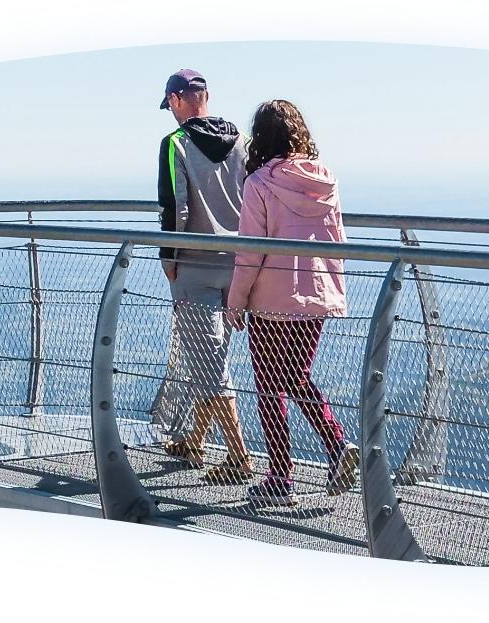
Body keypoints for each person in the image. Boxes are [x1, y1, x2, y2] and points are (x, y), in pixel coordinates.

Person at [225, 99, 362, 508]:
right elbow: (337, 242)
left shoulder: (259, 185)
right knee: (296, 377)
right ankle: (336, 445)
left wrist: (236, 300)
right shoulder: (326, 181)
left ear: (261, 138)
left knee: (271, 386)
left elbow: (250, 252)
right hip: (316, 295)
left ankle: (280, 478)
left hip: (270, 298)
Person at [152, 69, 252, 483]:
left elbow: (174, 206)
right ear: (205, 96)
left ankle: (239, 457)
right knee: (211, 358)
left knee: (210, 365)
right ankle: (195, 439)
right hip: (239, 264)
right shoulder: (242, 143)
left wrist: (169, 256)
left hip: (194, 264)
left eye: (169, 104)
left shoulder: (175, 143)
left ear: (177, 99)